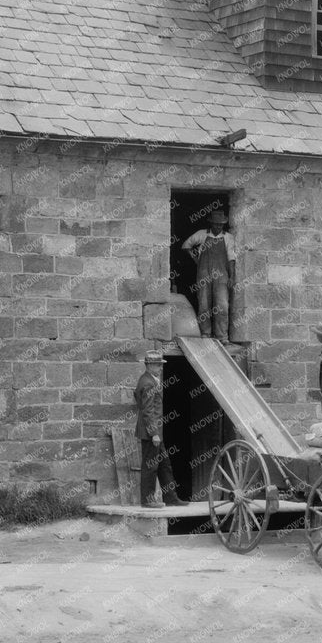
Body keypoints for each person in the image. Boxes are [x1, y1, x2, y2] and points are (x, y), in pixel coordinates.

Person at [134, 352, 186, 507]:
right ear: (149, 365)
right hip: (152, 434)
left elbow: (138, 398)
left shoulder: (149, 380)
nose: (161, 368)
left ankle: (171, 498)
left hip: (156, 433)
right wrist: (154, 433)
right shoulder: (148, 382)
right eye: (158, 365)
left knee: (164, 465)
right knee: (150, 466)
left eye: (161, 365)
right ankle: (147, 501)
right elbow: (147, 411)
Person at [181, 210, 236, 342]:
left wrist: (232, 276)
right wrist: (195, 258)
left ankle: (222, 336)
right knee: (204, 303)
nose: (218, 227)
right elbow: (186, 245)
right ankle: (206, 333)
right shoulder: (202, 234)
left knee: (222, 305)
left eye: (221, 225)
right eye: (216, 224)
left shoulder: (228, 237)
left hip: (222, 275)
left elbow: (231, 258)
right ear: (211, 223)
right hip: (204, 273)